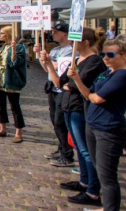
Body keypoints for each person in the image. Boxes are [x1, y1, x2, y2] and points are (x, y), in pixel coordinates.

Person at [67, 39, 126, 211]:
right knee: (99, 170)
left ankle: (110, 208)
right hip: (93, 124)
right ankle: (106, 206)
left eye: (110, 54)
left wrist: (93, 96)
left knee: (107, 176)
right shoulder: (107, 73)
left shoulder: (125, 75)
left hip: (109, 129)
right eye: (103, 54)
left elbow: (97, 98)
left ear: (125, 55)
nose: (106, 58)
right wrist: (76, 79)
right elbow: (88, 94)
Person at [53, 27, 107, 207]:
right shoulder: (77, 58)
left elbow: (78, 85)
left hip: (80, 108)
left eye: (75, 40)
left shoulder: (95, 61)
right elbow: (61, 81)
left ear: (85, 42)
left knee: (86, 150)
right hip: (68, 106)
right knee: (78, 147)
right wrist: (46, 64)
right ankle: (84, 181)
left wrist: (73, 81)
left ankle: (93, 191)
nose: (71, 43)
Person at [35, 22, 75, 167]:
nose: (53, 34)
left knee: (60, 121)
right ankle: (61, 148)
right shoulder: (55, 50)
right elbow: (46, 69)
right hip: (52, 87)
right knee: (54, 120)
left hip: (62, 89)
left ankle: (67, 154)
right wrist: (40, 56)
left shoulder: (72, 50)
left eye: (56, 32)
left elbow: (59, 67)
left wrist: (49, 62)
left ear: (65, 34)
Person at [0, 26, 27, 143]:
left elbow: (14, 63)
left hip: (11, 81)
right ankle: (2, 129)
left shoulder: (18, 47)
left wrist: (14, 50)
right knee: (0, 106)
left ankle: (18, 132)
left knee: (14, 106)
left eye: (2, 34)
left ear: (8, 35)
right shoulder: (1, 48)